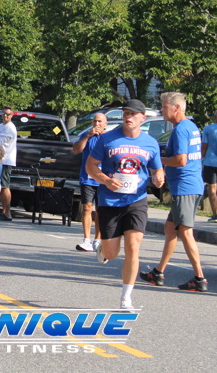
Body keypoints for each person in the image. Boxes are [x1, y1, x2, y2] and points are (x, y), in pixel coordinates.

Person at [86, 99, 165, 309]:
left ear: (143, 118)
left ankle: (126, 297)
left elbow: (157, 168)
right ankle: (104, 249)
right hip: (109, 201)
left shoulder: (150, 143)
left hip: (136, 200)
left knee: (133, 246)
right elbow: (90, 166)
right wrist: (106, 180)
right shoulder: (107, 139)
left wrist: (159, 177)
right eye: (126, 113)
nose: (128, 117)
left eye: (133, 114)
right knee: (112, 253)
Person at [139, 92, 208, 292]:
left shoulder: (180, 130)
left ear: (176, 107)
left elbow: (181, 160)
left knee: (185, 232)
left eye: (164, 106)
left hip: (185, 187)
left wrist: (157, 160)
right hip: (189, 186)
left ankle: (199, 278)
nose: (162, 110)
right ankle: (158, 272)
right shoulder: (190, 126)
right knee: (170, 229)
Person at [73, 112, 107, 252]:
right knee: (87, 207)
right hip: (88, 178)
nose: (97, 124)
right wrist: (87, 136)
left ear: (105, 123)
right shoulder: (86, 136)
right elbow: (76, 150)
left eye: (100, 122)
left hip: (103, 179)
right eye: (95, 121)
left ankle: (97, 240)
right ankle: (86, 239)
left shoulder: (109, 137)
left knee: (100, 210)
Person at [0, 106, 18, 221]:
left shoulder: (10, 128)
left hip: (6, 160)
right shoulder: (1, 126)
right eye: (4, 114)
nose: (5, 116)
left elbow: (0, 142)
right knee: (0, 186)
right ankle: (4, 212)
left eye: (8, 114)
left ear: (12, 115)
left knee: (5, 186)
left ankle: (7, 213)